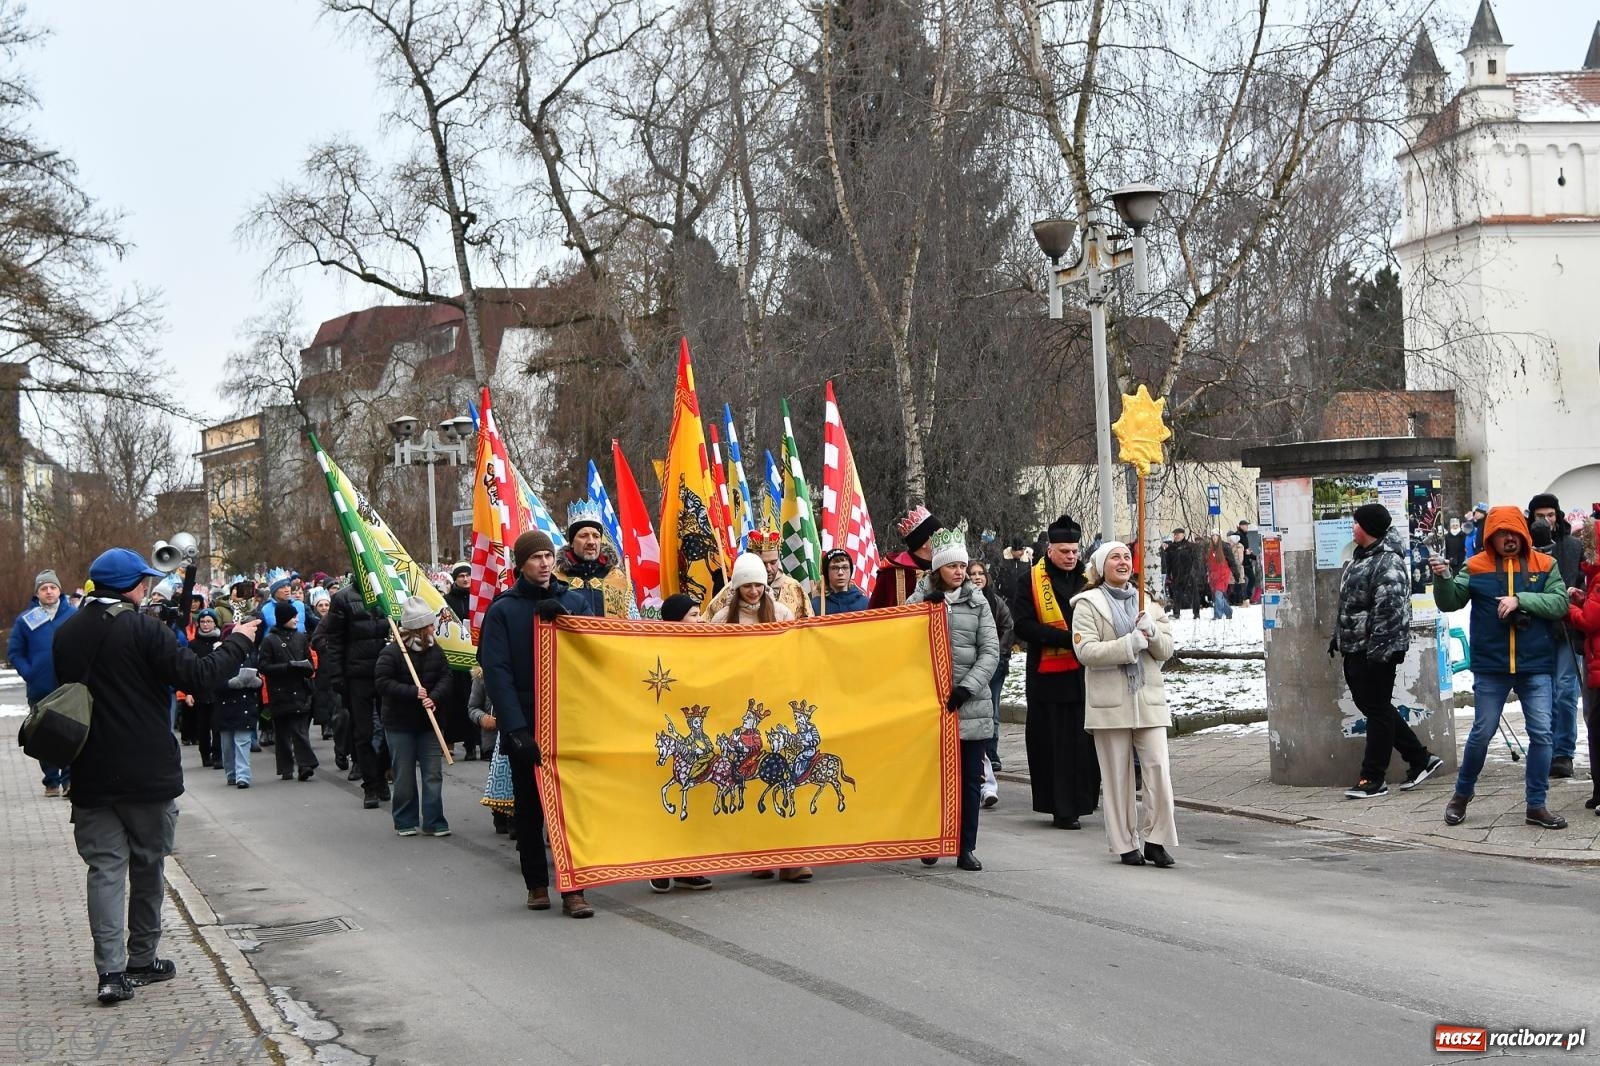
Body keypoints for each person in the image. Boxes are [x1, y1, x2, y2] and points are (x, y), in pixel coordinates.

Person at [52, 548, 260, 1005]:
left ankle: (110, 973)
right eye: (143, 581)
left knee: (104, 871)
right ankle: (142, 959)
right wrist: (239, 639)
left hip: (89, 769)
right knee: (148, 866)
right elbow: (201, 676)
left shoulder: (66, 632)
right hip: (146, 770)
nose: (148, 587)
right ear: (131, 586)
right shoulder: (144, 629)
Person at [478, 529, 596, 917]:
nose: (544, 563)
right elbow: (497, 673)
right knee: (530, 810)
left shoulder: (574, 599)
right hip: (526, 721)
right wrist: (515, 730)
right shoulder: (503, 610)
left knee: (570, 808)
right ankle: (536, 883)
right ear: (521, 564)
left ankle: (574, 889)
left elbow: (597, 650)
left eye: (548, 556)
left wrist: (567, 621)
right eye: (535, 558)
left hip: (571, 718)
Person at [1431, 506, 1570, 829]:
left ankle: (1536, 804)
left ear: (1522, 533)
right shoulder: (1475, 565)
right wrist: (1443, 579)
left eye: (1514, 533)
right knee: (1481, 733)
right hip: (1491, 666)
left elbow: (1559, 603)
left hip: (1535, 665)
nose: (1509, 539)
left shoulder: (1545, 564)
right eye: (1501, 534)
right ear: (1490, 537)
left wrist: (1521, 599)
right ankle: (1461, 795)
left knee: (1542, 734)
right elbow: (1450, 601)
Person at [1071, 541, 1178, 867]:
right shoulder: (1088, 604)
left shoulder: (1148, 603)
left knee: (1158, 769)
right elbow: (1085, 652)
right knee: (1117, 776)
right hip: (1110, 703)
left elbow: (1166, 650)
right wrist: (1127, 644)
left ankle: (1156, 840)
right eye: (1114, 557)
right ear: (1101, 567)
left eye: (1126, 557)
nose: (1122, 562)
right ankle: (1124, 843)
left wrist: (1152, 634)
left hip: (1147, 699)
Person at [1332, 504, 1444, 799]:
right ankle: (1420, 758)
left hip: (1376, 650)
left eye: (1356, 523)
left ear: (1368, 528)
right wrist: (1339, 637)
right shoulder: (1362, 558)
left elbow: (1390, 611)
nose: (1352, 528)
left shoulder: (1387, 563)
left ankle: (1373, 778)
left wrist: (1379, 651)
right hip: (1357, 647)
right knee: (1375, 707)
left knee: (1378, 711)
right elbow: (1352, 606)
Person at [908, 529, 999, 871]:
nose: (960, 572)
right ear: (938, 570)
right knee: (932, 779)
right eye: (952, 566)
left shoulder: (978, 603)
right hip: (930, 704)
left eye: (963, 566)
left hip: (968, 705)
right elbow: (900, 636)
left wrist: (967, 687)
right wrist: (922, 609)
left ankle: (965, 846)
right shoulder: (921, 597)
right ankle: (931, 839)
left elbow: (990, 651)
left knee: (969, 781)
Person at [1014, 514, 1100, 829]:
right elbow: (1022, 625)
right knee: (1054, 745)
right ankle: (1061, 807)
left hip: (1084, 674)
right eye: (1065, 552)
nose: (1071, 557)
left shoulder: (1089, 579)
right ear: (1050, 550)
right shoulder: (1031, 581)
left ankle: (1084, 800)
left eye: (1075, 551)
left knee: (1083, 744)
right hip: (1048, 676)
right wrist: (1065, 639)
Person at [376, 596, 454, 837]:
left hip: (429, 723)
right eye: (429, 624)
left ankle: (434, 820)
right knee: (405, 775)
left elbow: (446, 677)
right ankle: (404, 819)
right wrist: (412, 692)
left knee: (433, 774)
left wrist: (435, 697)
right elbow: (382, 683)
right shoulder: (392, 653)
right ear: (419, 628)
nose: (433, 628)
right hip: (400, 724)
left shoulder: (435, 649)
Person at [1528, 493, 1584, 779]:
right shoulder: (1525, 548)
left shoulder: (1573, 546)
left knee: (1565, 692)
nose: (1546, 520)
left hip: (1567, 629)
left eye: (1550, 515)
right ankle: (1544, 748)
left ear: (1558, 515)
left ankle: (1564, 753)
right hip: (1536, 629)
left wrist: (1577, 599)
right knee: (1541, 693)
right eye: (1540, 516)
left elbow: (1584, 580)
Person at [323, 583, 392, 809]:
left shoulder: (388, 590)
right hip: (357, 675)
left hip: (387, 672)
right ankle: (370, 784)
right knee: (363, 732)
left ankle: (382, 773)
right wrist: (337, 676)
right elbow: (334, 640)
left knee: (389, 729)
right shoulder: (343, 598)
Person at [11, 568, 77, 797]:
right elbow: (15, 652)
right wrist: (30, 673)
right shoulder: (26, 620)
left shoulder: (73, 615)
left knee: (71, 733)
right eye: (44, 588)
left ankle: (70, 780)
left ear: (60, 590)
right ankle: (51, 780)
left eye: (53, 587)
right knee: (43, 735)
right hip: (40, 689)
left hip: (69, 688)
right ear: (37, 593)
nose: (49, 592)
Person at [258, 601, 319, 782]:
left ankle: (305, 765)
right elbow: (263, 666)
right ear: (284, 618)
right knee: (283, 732)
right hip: (279, 691)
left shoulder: (300, 637)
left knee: (298, 729)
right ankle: (285, 767)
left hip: (300, 689)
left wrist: (307, 669)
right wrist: (287, 667)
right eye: (293, 617)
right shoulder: (269, 640)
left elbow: (309, 660)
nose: (296, 619)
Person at [967, 558, 1014, 784]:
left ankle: (992, 754)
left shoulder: (995, 602)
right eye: (972, 574)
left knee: (992, 710)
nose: (977, 578)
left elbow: (1008, 626)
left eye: (980, 573)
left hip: (994, 664)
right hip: (969, 666)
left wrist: (999, 651)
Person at [708, 529, 811, 619]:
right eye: (763, 563)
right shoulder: (732, 590)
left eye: (773, 562)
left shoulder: (794, 588)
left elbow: (808, 627)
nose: (768, 569)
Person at [868, 505, 942, 609]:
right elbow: (875, 614)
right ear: (924, 543)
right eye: (939, 536)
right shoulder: (890, 574)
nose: (944, 540)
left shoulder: (946, 568)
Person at [177, 610, 224, 769]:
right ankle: (206, 755)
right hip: (201, 690)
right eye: (203, 621)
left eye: (209, 621)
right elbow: (189, 669)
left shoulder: (221, 642)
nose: (205, 624)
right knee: (203, 726)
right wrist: (188, 692)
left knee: (217, 725)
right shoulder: (194, 644)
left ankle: (218, 755)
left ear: (215, 623)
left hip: (218, 689)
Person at [715, 552, 797, 625]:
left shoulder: (782, 615)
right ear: (738, 587)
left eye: (758, 585)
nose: (754, 591)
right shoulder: (721, 619)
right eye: (747, 586)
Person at [1159, 529, 1203, 621]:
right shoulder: (1171, 548)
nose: (1176, 536)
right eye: (1175, 534)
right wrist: (1168, 575)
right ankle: (1176, 613)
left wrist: (1195, 572)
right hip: (1176, 575)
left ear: (1183, 535)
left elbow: (1197, 560)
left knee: (1194, 594)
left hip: (1189, 574)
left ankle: (1196, 613)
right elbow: (1168, 563)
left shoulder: (1190, 546)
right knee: (1176, 595)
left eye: (1178, 534)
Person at [812, 548, 870, 614]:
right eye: (834, 568)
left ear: (850, 571)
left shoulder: (865, 604)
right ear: (826, 572)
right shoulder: (816, 606)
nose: (840, 572)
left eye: (845, 567)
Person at [1205, 533, 1236, 619]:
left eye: (1216, 536)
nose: (1214, 538)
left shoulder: (1224, 548)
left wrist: (1235, 573)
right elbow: (1209, 564)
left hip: (1223, 575)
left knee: (1218, 595)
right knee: (1218, 596)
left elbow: (1231, 561)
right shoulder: (1210, 550)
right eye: (1213, 536)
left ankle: (1217, 615)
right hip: (1214, 576)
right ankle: (1228, 611)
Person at [995, 536, 1032, 607]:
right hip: (1006, 601)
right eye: (1019, 550)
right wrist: (1000, 596)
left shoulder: (1027, 562)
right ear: (1012, 551)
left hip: (1023, 600)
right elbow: (997, 580)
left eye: (1022, 550)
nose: (1021, 552)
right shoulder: (1003, 561)